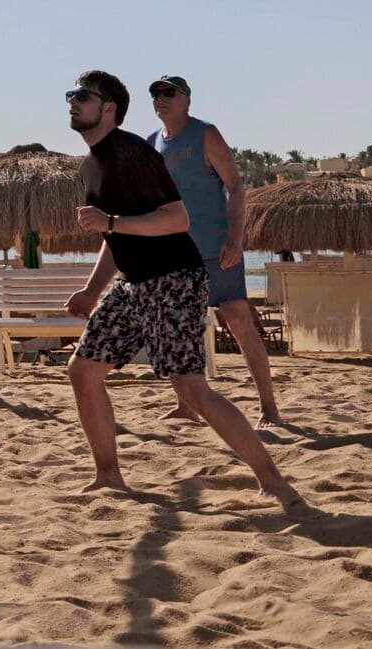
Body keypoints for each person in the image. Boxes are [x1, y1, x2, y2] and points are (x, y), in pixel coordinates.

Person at [61, 70, 299, 506]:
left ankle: (272, 479)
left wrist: (111, 222)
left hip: (174, 279)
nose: (72, 102)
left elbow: (178, 219)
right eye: (70, 96)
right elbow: (116, 239)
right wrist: (93, 290)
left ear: (108, 108)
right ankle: (109, 476)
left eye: (82, 96)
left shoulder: (134, 152)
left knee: (191, 387)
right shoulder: (92, 164)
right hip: (133, 285)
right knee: (84, 371)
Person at [147, 75, 283, 428]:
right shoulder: (152, 143)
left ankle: (268, 407)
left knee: (239, 321)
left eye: (168, 93)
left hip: (215, 249)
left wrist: (235, 241)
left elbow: (236, 187)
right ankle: (186, 404)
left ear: (187, 99)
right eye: (155, 94)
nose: (160, 99)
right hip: (172, 253)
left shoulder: (205, 133)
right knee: (182, 329)